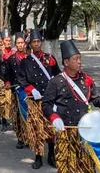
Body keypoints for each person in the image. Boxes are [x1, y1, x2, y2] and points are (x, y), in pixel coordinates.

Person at [42, 40, 100, 172]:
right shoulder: (56, 82)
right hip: (65, 131)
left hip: (86, 131)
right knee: (66, 167)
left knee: (87, 166)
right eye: (75, 59)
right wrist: (54, 117)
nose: (79, 62)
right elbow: (46, 104)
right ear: (66, 62)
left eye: (80, 58)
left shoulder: (86, 79)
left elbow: (97, 100)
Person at [17, 29, 61, 169]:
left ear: (41, 43)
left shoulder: (50, 58)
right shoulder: (25, 62)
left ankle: (51, 156)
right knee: (37, 129)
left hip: (49, 99)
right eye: (34, 42)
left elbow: (58, 74)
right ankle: (38, 157)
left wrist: (55, 85)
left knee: (51, 128)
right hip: (35, 100)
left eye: (38, 41)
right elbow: (21, 79)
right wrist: (31, 90)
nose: (36, 44)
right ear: (30, 44)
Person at [3, 32, 28, 149]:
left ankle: (29, 137)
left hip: (29, 92)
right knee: (18, 115)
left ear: (25, 44)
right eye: (18, 43)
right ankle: (20, 138)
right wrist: (7, 82)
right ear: (15, 45)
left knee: (30, 116)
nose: (20, 45)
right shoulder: (11, 59)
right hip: (17, 91)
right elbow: (7, 74)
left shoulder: (30, 58)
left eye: (22, 43)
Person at [0, 29, 14, 129]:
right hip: (1, 78)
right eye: (6, 40)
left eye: (9, 40)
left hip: (11, 79)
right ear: (3, 41)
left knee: (10, 100)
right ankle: (3, 120)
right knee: (1, 100)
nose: (8, 42)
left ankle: (10, 118)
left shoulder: (13, 51)